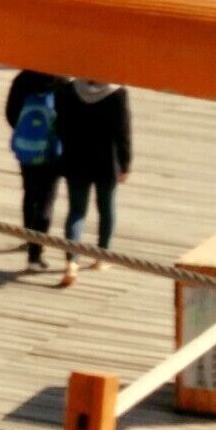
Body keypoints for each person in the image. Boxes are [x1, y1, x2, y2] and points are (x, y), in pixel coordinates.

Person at [53, 76, 133, 285]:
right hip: (106, 162)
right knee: (106, 209)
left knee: (76, 212)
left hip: (76, 158)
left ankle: (71, 261)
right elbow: (123, 132)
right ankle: (101, 257)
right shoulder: (117, 94)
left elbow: (60, 125)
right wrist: (125, 164)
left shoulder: (69, 90)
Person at [4, 70, 62, 270]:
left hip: (27, 147)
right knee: (46, 200)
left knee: (29, 193)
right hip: (51, 151)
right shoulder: (62, 83)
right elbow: (68, 118)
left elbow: (11, 114)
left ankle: (29, 238)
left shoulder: (22, 79)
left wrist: (26, 131)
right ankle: (35, 256)